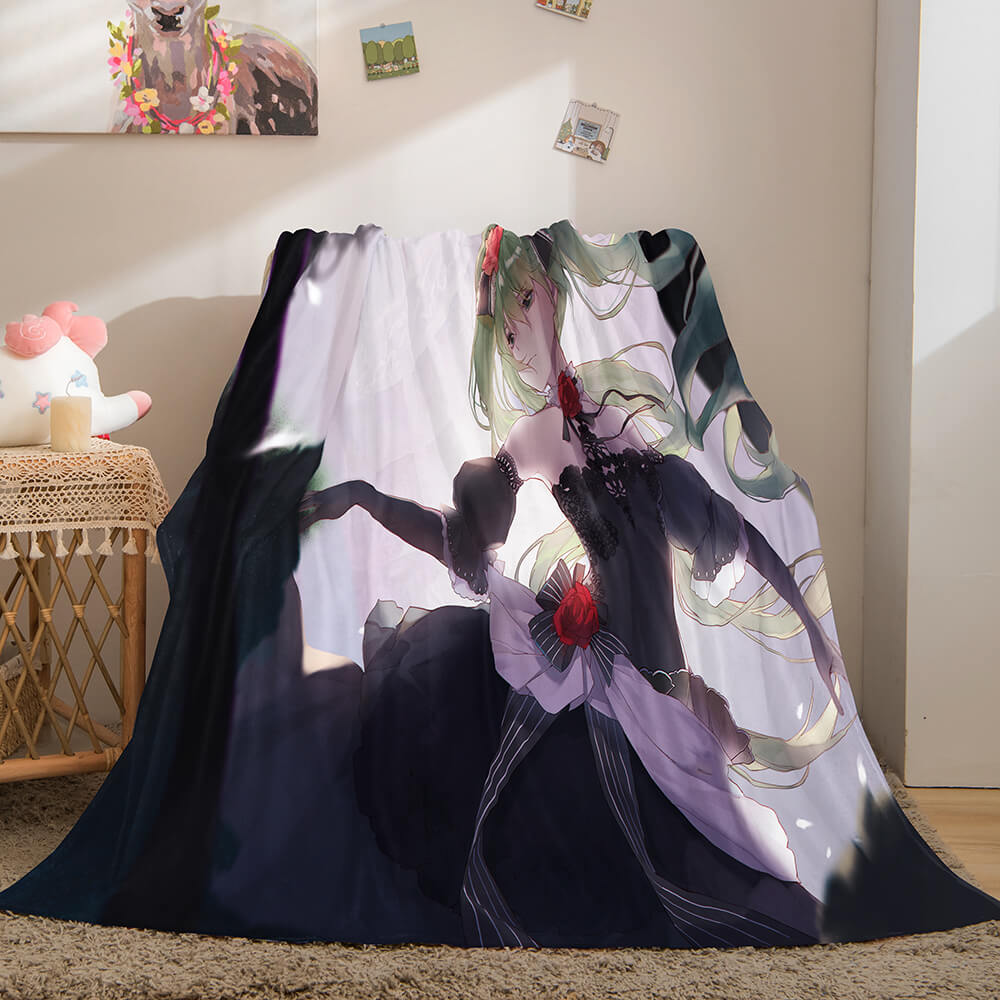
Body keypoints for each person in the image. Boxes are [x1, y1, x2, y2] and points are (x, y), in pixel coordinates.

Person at [296, 224, 853, 946]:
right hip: (607, 677)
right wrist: (367, 499)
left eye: (525, 305)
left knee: (741, 855)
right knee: (641, 861)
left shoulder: (622, 422)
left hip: (662, 682)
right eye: (504, 333)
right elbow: (462, 543)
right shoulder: (532, 439)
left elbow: (738, 532)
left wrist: (815, 634)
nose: (519, 341)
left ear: (553, 297)